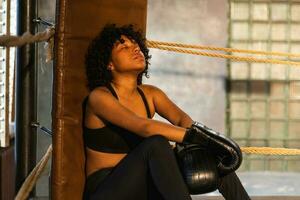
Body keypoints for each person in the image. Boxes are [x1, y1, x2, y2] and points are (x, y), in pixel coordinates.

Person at [82, 24, 251, 200]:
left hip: (143, 188)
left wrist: (207, 144)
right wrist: (200, 138)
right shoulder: (99, 97)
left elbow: (182, 120)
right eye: (124, 47)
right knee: (156, 144)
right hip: (107, 191)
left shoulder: (151, 94)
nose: (135, 50)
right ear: (109, 63)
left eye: (136, 46)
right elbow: (144, 126)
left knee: (214, 157)